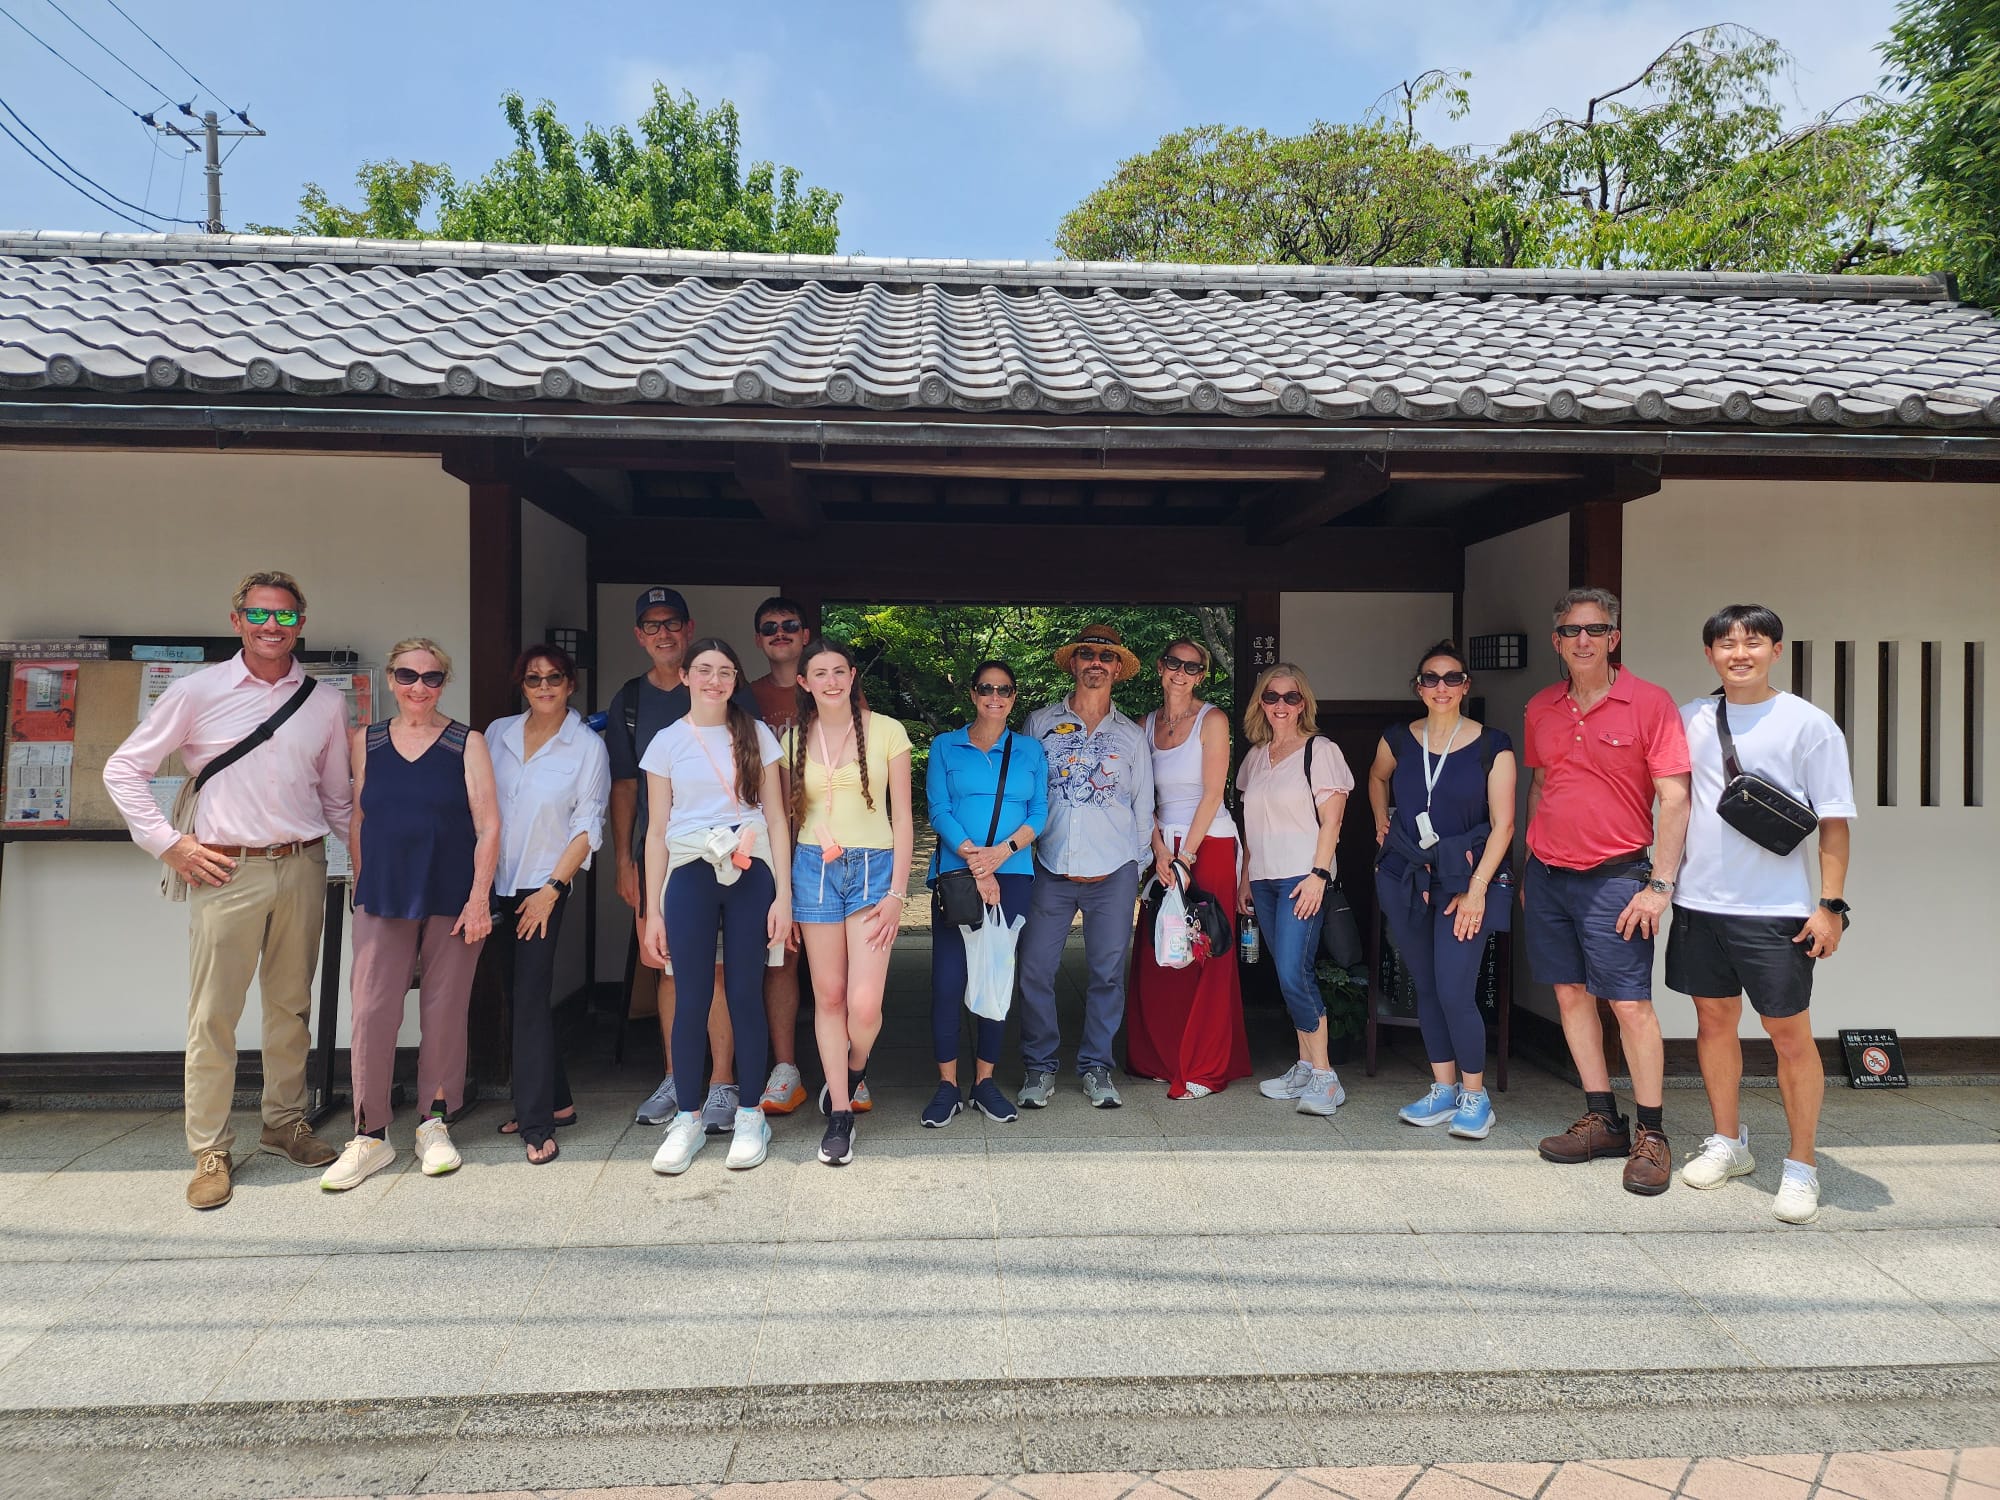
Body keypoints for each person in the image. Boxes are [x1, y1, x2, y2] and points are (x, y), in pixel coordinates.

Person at [102, 570, 352, 1210]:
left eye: (285, 616)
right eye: (259, 614)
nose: (272, 626)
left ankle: (285, 1122)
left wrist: (369, 863)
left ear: (301, 624)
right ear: (237, 620)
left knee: (291, 1005)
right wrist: (171, 844)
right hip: (225, 869)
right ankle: (210, 1149)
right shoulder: (198, 691)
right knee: (214, 1013)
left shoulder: (324, 702)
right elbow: (123, 768)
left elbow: (335, 798)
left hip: (302, 863)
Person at [1669, 605, 1855, 1224]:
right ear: (1709, 654)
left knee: (1789, 1035)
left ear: (1777, 650)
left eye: (1753, 643)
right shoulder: (1690, 718)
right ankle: (1729, 1141)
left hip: (1776, 909)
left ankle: (1802, 1165)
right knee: (1713, 1021)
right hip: (1699, 902)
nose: (1739, 654)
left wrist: (1830, 906)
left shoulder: (1809, 724)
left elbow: (1834, 821)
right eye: (1726, 644)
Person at [1524, 587, 1691, 1197]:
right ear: (1557, 641)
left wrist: (1659, 885)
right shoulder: (1541, 706)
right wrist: (1530, 862)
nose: (1583, 640)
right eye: (1572, 630)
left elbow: (1675, 798)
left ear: (1613, 637)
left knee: (1628, 1004)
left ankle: (1652, 1133)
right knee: (1570, 995)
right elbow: (1541, 785)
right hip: (1548, 874)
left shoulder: (1650, 702)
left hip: (1617, 876)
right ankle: (1603, 1119)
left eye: (1595, 629)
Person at [324, 639, 500, 1191]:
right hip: (383, 892)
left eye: (431, 677)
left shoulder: (466, 742)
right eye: (407, 675)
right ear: (391, 679)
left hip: (453, 896)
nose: (418, 687)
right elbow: (358, 817)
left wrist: (479, 898)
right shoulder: (366, 740)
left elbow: (489, 824)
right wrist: (361, 880)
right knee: (371, 1011)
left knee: (445, 1011)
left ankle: (434, 1123)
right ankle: (370, 1133)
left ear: (444, 682)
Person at [606, 586, 762, 1134]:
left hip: (733, 860)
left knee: (720, 971)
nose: (663, 633)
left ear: (689, 629)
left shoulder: (736, 703)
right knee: (671, 968)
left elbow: (760, 786)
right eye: (652, 625)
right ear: (639, 635)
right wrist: (624, 861)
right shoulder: (630, 701)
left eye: (672, 622)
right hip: (667, 856)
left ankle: (723, 1081)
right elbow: (625, 787)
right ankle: (678, 1077)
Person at [640, 639, 792, 1175]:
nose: (714, 680)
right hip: (689, 869)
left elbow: (777, 818)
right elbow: (655, 831)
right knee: (692, 996)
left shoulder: (756, 733)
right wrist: (652, 910)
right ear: (685, 676)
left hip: (751, 870)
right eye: (704, 670)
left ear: (735, 679)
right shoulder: (665, 742)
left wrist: (784, 896)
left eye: (725, 671)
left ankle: (751, 1114)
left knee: (746, 993)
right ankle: (687, 1117)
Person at [1367, 641, 1517, 1139]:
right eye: (1431, 678)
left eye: (1452, 678)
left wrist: (1477, 890)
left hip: (1466, 878)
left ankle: (1476, 1096)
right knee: (1427, 987)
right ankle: (1444, 1088)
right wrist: (1380, 820)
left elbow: (1504, 825)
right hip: (1408, 876)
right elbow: (1376, 777)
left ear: (1466, 685)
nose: (1441, 687)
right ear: (1418, 686)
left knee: (1454, 987)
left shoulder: (1493, 744)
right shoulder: (1398, 738)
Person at [783, 639, 915, 1166]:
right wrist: (782, 895)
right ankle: (840, 1111)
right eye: (820, 673)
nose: (832, 681)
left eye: (839, 671)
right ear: (804, 682)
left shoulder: (887, 730)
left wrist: (899, 892)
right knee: (830, 995)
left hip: (874, 868)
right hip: (812, 867)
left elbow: (903, 817)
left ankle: (855, 1069)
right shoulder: (792, 738)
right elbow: (785, 818)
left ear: (853, 674)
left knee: (864, 1005)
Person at [1016, 624, 1155, 1110]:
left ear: (1117, 669)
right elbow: (1025, 794)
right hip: (1050, 868)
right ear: (1073, 663)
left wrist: (1137, 867)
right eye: (1087, 653)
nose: (1096, 661)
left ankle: (1097, 1066)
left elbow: (1143, 806)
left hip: (1114, 872)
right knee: (1034, 970)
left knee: (1108, 974)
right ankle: (1039, 1067)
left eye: (1106, 656)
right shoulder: (1039, 724)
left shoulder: (1132, 736)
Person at [486, 644, 609, 1164]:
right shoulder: (497, 734)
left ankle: (536, 1123)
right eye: (533, 678)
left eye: (554, 678)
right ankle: (557, 1100)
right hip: (496, 883)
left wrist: (552, 890)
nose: (544, 687)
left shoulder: (586, 747)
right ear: (522, 685)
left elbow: (588, 825)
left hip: (544, 886)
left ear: (570, 684)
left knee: (531, 997)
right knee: (516, 994)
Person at [924, 659, 1048, 1126]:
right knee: (948, 980)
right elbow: (938, 809)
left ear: (1014, 697)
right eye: (986, 688)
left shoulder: (1031, 750)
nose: (995, 697)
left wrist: (1002, 854)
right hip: (957, 874)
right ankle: (947, 1085)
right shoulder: (945, 745)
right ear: (973, 694)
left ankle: (985, 1082)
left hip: (1011, 875)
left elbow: (1039, 813)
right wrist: (977, 861)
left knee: (996, 977)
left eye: (1004, 690)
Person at [1128, 639, 1251, 1099]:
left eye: (1192, 667)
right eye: (1173, 663)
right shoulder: (1144, 726)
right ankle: (1159, 1056)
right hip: (1162, 844)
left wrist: (1186, 856)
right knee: (1160, 947)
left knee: (1206, 947)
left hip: (1208, 842)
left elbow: (1214, 792)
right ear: (1160, 668)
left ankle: (1204, 1064)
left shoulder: (1212, 720)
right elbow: (1140, 796)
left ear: (1202, 675)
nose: (1181, 673)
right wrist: (1160, 850)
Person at [1236, 663, 1354, 1116]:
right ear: (1260, 703)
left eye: (1290, 697)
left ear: (1303, 702)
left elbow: (1333, 821)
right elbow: (1251, 826)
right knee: (1287, 973)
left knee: (1293, 972)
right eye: (1271, 697)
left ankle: (1325, 1076)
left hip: (1302, 878)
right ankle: (1305, 1067)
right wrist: (1245, 877)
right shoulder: (1256, 756)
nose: (1280, 705)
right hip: (1264, 878)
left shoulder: (1320, 751)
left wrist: (1319, 875)